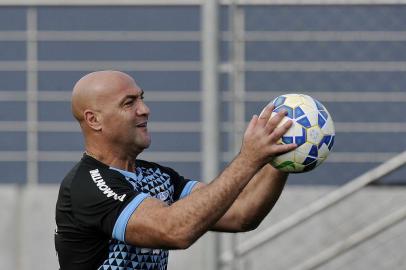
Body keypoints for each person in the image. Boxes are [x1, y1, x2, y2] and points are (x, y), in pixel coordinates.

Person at [54, 70, 297, 270]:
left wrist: (282, 155)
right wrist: (248, 159)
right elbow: (174, 230)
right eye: (129, 103)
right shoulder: (86, 185)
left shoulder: (157, 176)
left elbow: (242, 212)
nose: (144, 109)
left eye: (141, 98)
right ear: (94, 120)